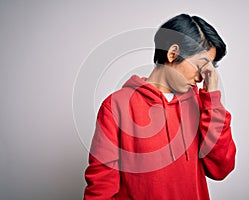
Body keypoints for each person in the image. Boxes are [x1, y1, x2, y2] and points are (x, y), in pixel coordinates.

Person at [83, 13, 236, 200]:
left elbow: (221, 169)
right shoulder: (116, 106)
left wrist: (212, 100)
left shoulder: (202, 105)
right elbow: (101, 186)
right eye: (200, 66)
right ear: (172, 53)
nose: (201, 77)